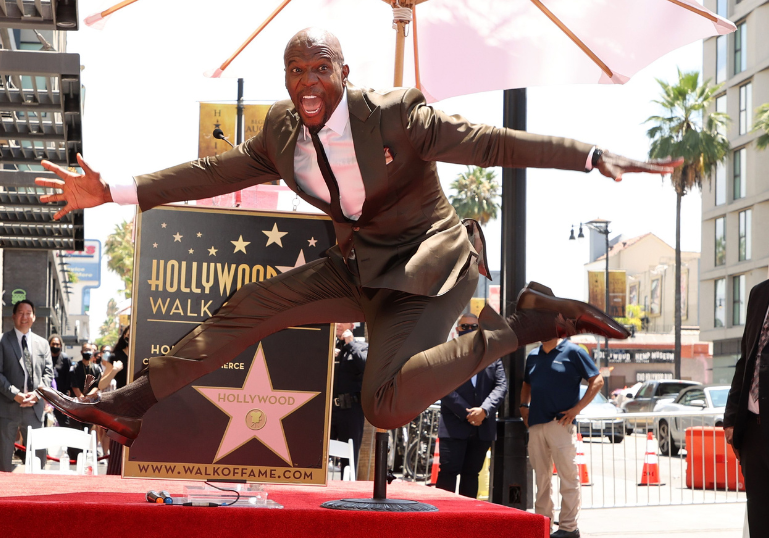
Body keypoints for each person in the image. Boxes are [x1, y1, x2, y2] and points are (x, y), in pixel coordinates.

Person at [35, 27, 672, 447]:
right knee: (250, 306)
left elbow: (491, 143)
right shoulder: (282, 131)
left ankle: (525, 324)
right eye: (294, 70)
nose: (306, 82)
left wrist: (588, 154)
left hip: (431, 268)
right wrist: (113, 190)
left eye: (319, 69)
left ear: (343, 70)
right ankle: (133, 402)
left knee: (385, 404)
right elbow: (212, 172)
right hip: (362, 266)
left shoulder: (397, 114)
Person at [520, 336, 603, 538]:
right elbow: (526, 384)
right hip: (537, 425)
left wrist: (577, 409)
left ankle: (568, 528)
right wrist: (523, 407)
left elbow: (597, 380)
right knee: (542, 479)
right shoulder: (532, 356)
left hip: (561, 424)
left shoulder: (573, 352)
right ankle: (543, 525)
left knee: (568, 478)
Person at [437, 313, 507, 498]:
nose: (468, 330)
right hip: (454, 426)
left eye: (473, 327)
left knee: (471, 475)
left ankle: (466, 522)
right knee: (448, 474)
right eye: (464, 327)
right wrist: (468, 413)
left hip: (482, 428)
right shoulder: (447, 354)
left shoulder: (492, 355)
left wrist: (484, 410)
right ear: (458, 329)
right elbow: (442, 386)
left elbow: (501, 386)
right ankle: (442, 521)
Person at [724, 279, 769, 536]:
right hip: (752, 430)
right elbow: (746, 358)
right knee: (760, 523)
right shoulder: (759, 293)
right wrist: (731, 418)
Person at [0, 299, 53, 472]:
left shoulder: (43, 344)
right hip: (7, 406)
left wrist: (37, 394)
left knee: (38, 461)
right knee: (3, 460)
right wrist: (15, 394)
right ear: (14, 316)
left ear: (34, 316)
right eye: (21, 313)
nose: (24, 317)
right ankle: (2, 497)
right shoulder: (1, 341)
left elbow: (48, 374)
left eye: (28, 313)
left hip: (34, 408)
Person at [331, 322, 367, 475]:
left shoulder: (361, 346)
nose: (338, 324)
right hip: (327, 409)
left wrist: (350, 344)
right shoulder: (327, 345)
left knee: (350, 459)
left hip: (350, 410)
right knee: (319, 456)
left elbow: (366, 365)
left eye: (342, 320)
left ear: (352, 325)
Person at [106, 326, 130, 476]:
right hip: (120, 406)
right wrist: (114, 371)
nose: (130, 337)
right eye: (127, 335)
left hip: (142, 405)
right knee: (116, 446)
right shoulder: (115, 356)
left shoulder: (146, 355)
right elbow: (101, 384)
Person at [49, 334, 72, 427]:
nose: (55, 346)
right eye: (53, 344)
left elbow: (70, 377)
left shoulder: (65, 359)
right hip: (48, 397)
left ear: (61, 346)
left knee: (64, 423)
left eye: (57, 344)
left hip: (62, 397)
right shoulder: (45, 358)